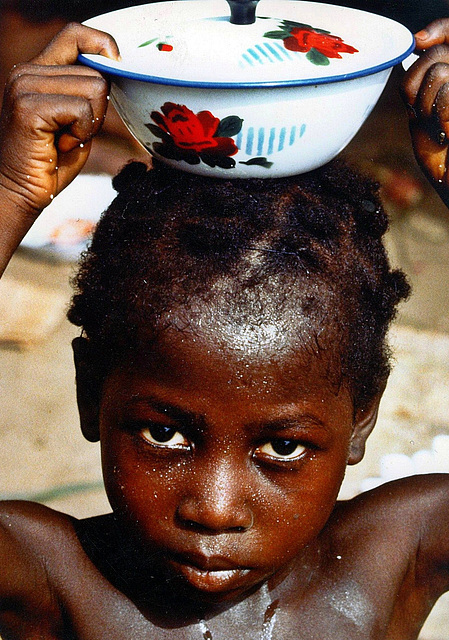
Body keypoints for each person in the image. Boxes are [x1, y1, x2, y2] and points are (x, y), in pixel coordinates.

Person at [2, 22, 449, 640]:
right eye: (164, 433)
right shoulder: (49, 580)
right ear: (90, 394)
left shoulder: (396, 559)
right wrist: (11, 191)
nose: (214, 510)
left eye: (283, 449)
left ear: (363, 417)